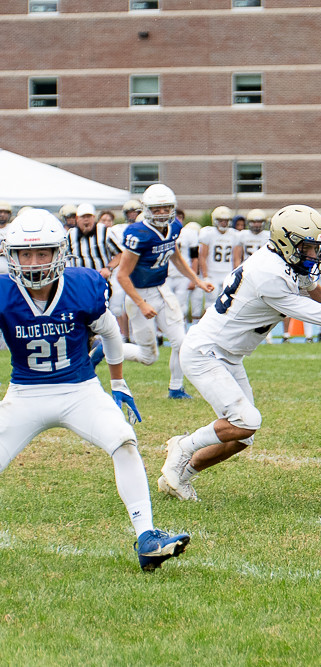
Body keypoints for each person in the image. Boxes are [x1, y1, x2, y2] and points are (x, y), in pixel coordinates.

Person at [0, 209, 190, 571]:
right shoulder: (4, 292)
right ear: (11, 255)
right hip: (25, 394)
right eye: (26, 254)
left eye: (43, 253)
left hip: (79, 391)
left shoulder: (81, 285)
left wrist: (118, 383)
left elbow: (109, 332)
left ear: (60, 253)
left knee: (123, 439)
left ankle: (147, 537)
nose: (34, 262)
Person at [159, 205, 321, 501]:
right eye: (307, 247)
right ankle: (184, 445)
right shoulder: (270, 274)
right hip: (207, 352)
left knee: (244, 434)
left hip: (229, 354)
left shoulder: (285, 261)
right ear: (287, 241)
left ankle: (181, 475)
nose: (313, 255)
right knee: (246, 420)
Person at [115, 183, 213, 398]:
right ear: (146, 210)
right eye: (156, 209)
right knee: (148, 357)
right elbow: (122, 275)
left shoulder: (175, 227)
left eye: (165, 208)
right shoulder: (137, 232)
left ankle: (176, 388)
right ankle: (105, 349)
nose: (161, 213)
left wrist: (197, 280)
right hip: (139, 293)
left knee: (182, 342)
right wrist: (141, 303)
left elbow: (175, 255)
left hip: (161, 289)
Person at [199, 206, 239, 308]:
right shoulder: (208, 233)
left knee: (227, 303)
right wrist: (205, 276)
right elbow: (203, 257)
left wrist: (235, 275)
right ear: (215, 221)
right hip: (212, 274)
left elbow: (236, 258)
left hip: (227, 273)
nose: (223, 223)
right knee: (210, 302)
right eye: (220, 220)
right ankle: (208, 324)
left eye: (226, 221)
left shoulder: (234, 235)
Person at [66, 203, 118, 279]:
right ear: (77, 219)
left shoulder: (105, 232)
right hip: (79, 281)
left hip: (100, 280)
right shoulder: (71, 235)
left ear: (94, 218)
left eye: (89, 216)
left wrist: (108, 268)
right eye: (83, 217)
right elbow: (65, 257)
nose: (86, 219)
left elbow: (120, 254)